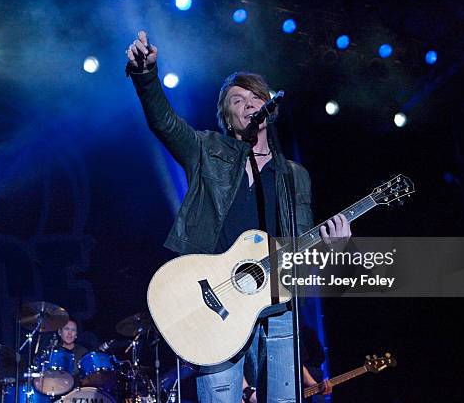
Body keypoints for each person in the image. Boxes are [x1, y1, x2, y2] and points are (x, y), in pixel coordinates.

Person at [126, 30, 351, 402]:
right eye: (237, 99)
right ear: (226, 116)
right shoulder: (205, 150)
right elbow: (164, 122)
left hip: (278, 306)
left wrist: (333, 248)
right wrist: (145, 75)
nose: (249, 103)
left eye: (256, 97)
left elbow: (303, 250)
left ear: (269, 107)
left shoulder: (294, 174)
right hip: (218, 305)